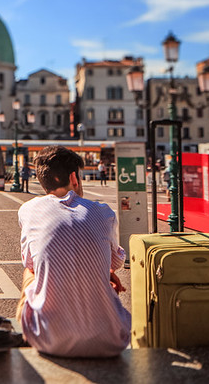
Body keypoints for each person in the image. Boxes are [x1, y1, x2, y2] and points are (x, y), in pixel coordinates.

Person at [16, 146, 129, 357]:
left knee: (29, 272)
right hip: (111, 341)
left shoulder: (28, 210)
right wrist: (104, 270)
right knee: (100, 267)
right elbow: (116, 262)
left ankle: (29, 334)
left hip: (49, 342)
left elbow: (31, 264)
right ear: (74, 178)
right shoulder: (104, 212)